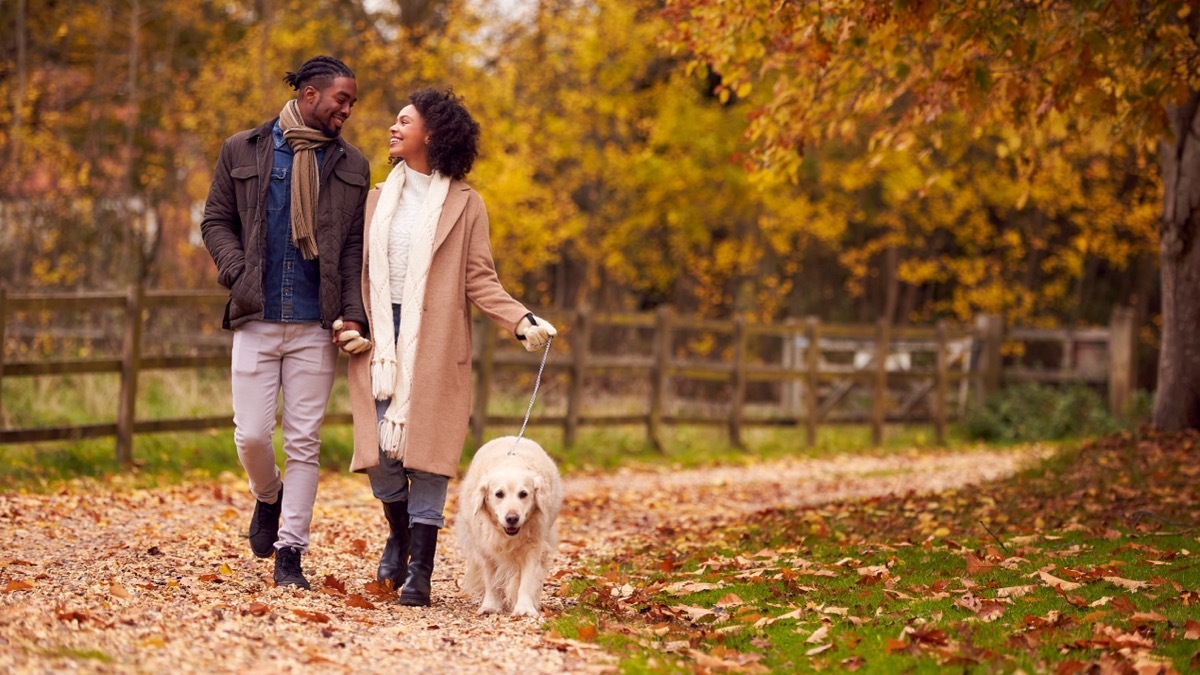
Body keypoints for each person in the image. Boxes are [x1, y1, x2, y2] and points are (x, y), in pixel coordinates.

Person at [346, 87, 557, 607]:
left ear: (432, 134)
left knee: (430, 456)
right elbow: (354, 269)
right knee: (382, 455)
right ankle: (398, 534)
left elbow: (480, 279)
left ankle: (420, 568)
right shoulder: (376, 197)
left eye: (404, 121)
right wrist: (346, 318)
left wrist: (520, 319)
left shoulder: (466, 204)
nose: (392, 128)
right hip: (379, 339)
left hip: (437, 338)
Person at [201, 55, 373, 590]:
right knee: (252, 436)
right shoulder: (243, 149)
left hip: (315, 324)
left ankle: (290, 553)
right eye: (341, 99)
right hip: (256, 314)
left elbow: (350, 249)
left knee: (304, 442)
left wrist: (352, 312)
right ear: (309, 96)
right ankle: (268, 497)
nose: (347, 109)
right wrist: (237, 271)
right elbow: (215, 221)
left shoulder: (351, 165)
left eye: (351, 101)